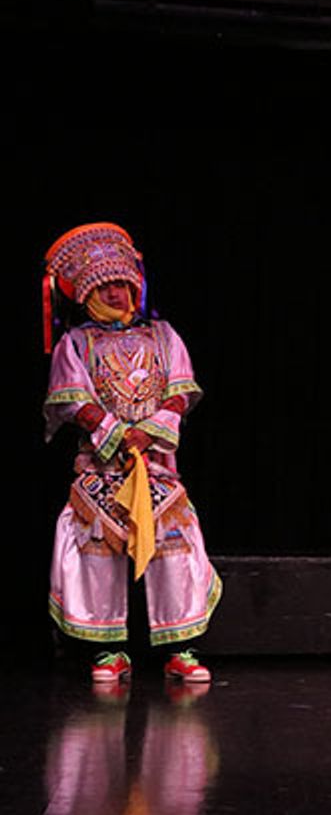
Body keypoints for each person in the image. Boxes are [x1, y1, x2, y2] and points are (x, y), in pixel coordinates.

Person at [43, 222, 221, 685]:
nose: (117, 293)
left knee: (174, 546)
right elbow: (74, 401)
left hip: (156, 464)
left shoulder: (163, 336)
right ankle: (108, 650)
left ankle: (180, 649)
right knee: (97, 549)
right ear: (87, 294)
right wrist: (118, 436)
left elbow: (180, 392)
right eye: (106, 286)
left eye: (123, 284)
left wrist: (148, 434)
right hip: (102, 463)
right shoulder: (75, 343)